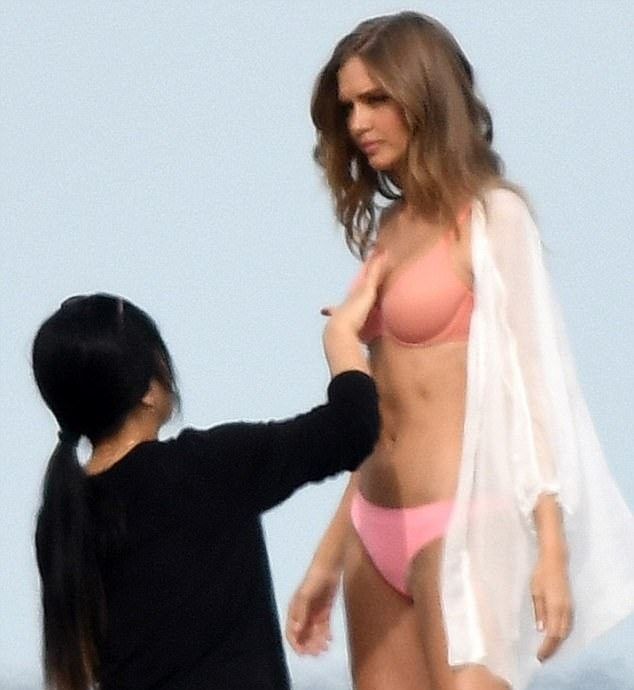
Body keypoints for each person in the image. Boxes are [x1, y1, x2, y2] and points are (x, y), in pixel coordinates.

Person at [286, 11, 634, 690]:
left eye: (376, 99)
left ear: (424, 95)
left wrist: (551, 546)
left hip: (466, 524)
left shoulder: (494, 216)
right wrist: (327, 557)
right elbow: (380, 410)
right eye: (348, 106)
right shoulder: (390, 228)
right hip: (372, 527)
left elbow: (536, 387)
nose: (358, 122)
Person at [31, 263, 384, 690]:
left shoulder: (62, 518)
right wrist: (341, 335)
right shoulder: (204, 467)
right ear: (148, 389)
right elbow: (353, 426)